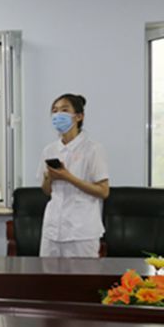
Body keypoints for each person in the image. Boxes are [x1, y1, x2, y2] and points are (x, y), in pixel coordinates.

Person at [38, 93, 109, 257]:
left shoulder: (93, 149)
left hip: (81, 232)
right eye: (54, 111)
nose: (58, 115)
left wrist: (68, 177)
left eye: (64, 110)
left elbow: (104, 191)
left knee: (82, 274)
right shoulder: (49, 150)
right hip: (52, 229)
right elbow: (47, 191)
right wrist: (49, 178)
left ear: (79, 116)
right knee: (47, 273)